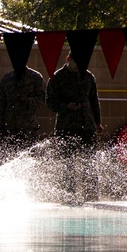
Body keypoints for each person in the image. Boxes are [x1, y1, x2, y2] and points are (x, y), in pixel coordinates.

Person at [46, 53, 102, 202]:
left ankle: (92, 198)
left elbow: (94, 101)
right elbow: (49, 102)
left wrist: (98, 122)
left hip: (87, 126)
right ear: (68, 59)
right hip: (66, 126)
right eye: (76, 62)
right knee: (67, 165)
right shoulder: (57, 77)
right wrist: (65, 106)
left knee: (90, 163)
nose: (78, 66)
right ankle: (69, 198)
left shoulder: (88, 76)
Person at [0, 64, 45, 152]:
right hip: (9, 127)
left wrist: (27, 101)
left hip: (28, 127)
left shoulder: (35, 77)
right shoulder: (7, 79)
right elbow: (1, 103)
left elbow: (42, 99)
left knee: (29, 155)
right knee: (10, 156)